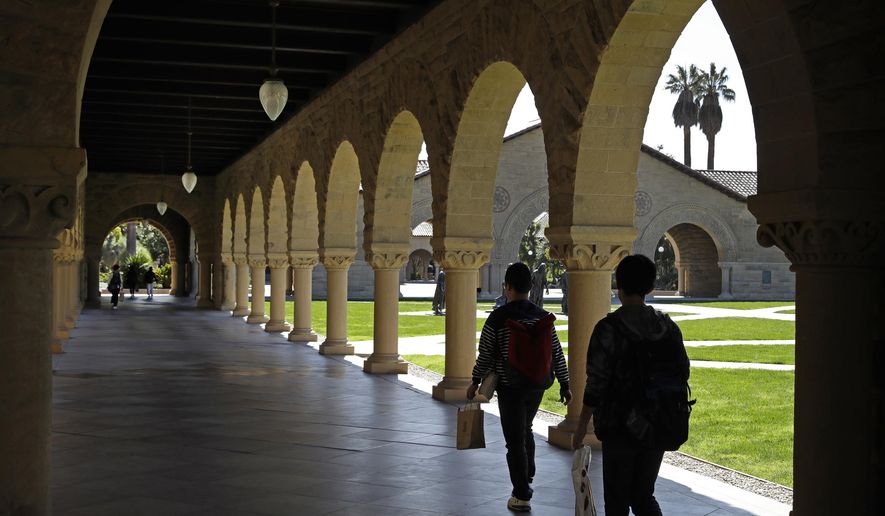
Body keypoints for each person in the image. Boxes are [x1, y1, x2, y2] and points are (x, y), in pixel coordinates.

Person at [571, 254, 689, 516]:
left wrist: (580, 427)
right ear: (650, 286)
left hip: (619, 425)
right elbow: (683, 371)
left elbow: (596, 384)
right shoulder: (668, 327)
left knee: (617, 501)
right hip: (657, 421)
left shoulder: (607, 329)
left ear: (619, 285)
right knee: (644, 496)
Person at [468, 262, 571, 513]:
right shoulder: (542, 317)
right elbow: (557, 353)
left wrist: (475, 380)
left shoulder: (498, 318)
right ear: (531, 286)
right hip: (537, 385)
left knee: (514, 441)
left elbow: (486, 355)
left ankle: (521, 494)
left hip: (510, 386)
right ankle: (528, 473)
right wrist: (565, 384)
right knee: (526, 428)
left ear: (508, 287)